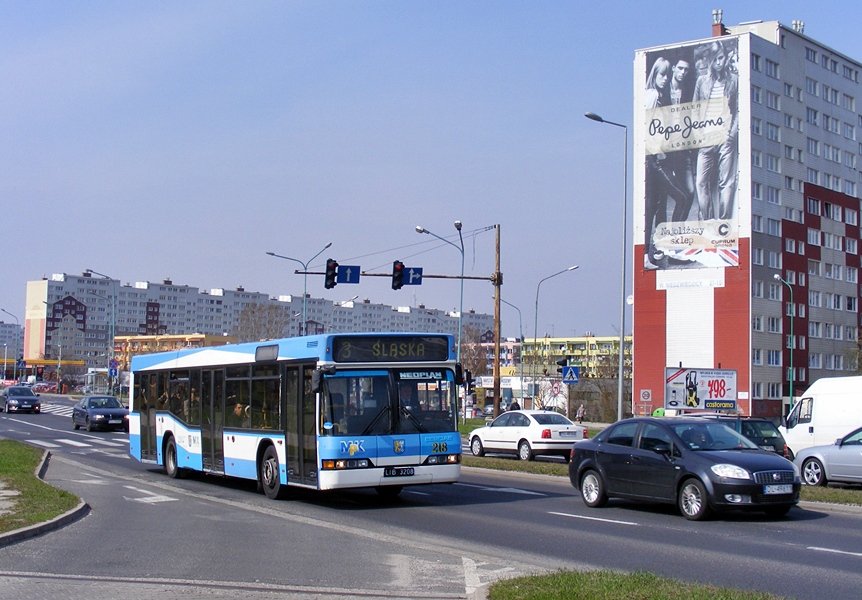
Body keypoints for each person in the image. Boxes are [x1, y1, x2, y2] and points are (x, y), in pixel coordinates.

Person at [644, 56, 690, 269]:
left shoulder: (662, 97)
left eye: (667, 74)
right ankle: (667, 248)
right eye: (661, 74)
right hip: (654, 160)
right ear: (655, 73)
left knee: (655, 207)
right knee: (680, 198)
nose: (665, 78)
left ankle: (654, 252)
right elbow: (649, 129)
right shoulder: (652, 96)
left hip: (659, 159)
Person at [693, 39, 739, 221]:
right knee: (701, 182)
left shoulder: (734, 80)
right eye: (717, 59)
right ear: (711, 60)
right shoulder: (701, 81)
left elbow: (738, 110)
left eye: (723, 58)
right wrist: (699, 134)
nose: (720, 62)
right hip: (706, 138)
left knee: (726, 182)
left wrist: (732, 134)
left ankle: (723, 224)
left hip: (725, 137)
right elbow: (694, 110)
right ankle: (707, 221)